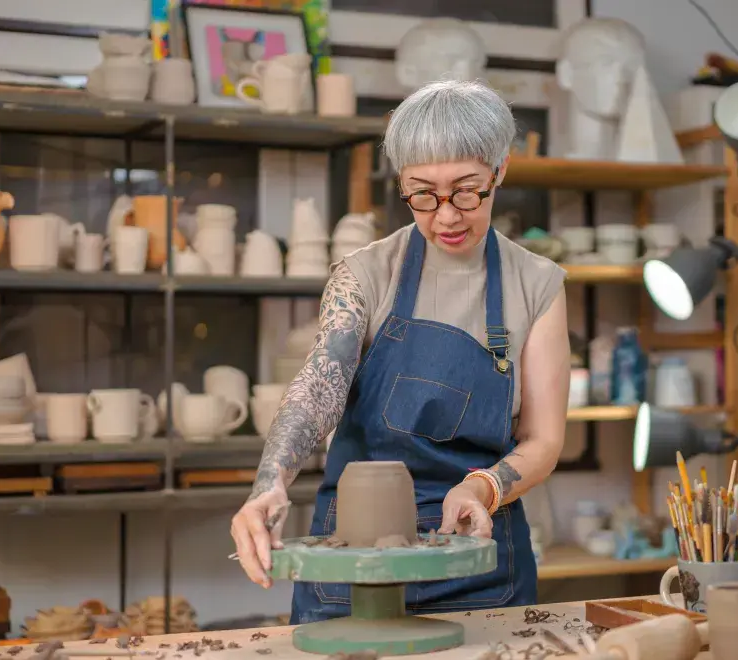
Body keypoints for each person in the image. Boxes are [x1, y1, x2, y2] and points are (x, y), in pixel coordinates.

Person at [231, 79, 570, 622]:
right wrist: (269, 484)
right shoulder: (365, 275)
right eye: (422, 194)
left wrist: (482, 488)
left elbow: (544, 439)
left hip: (478, 557)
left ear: (500, 171)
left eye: (466, 190)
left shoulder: (538, 285)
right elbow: (321, 387)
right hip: (355, 564)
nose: (446, 216)